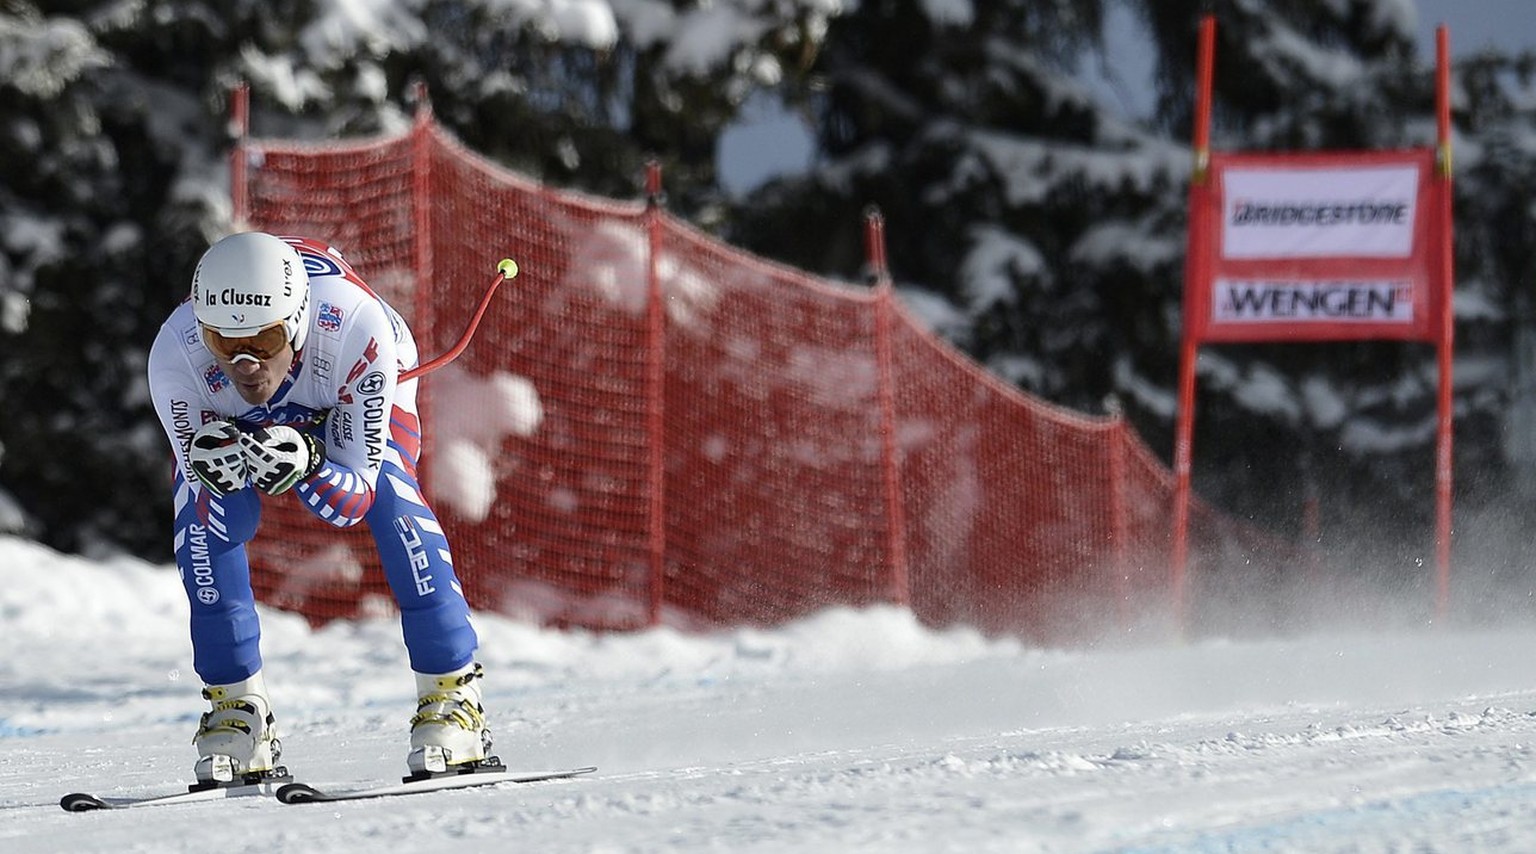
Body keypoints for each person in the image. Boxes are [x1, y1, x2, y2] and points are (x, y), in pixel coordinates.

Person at [147, 231, 490, 785]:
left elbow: (351, 503)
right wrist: (217, 468)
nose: (244, 364)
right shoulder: (175, 353)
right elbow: (223, 514)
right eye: (222, 341)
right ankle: (236, 709)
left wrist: (310, 462)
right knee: (201, 513)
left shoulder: (358, 331)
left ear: (298, 322)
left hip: (342, 382)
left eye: (263, 340)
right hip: (255, 402)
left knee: (391, 496)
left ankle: (454, 695)